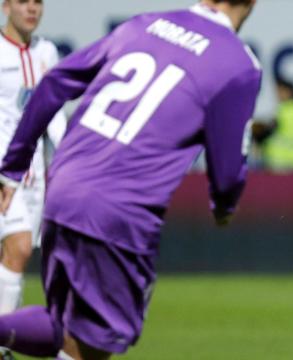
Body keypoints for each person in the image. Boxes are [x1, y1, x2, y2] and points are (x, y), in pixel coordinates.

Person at [0, 0, 261, 358]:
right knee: (94, 344)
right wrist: (224, 206)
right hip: (119, 210)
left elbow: (54, 83)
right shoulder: (238, 64)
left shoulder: (146, 24)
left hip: (64, 189)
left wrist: (13, 165)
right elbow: (228, 171)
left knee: (68, 330)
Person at [0, 0, 66, 316]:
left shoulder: (47, 52)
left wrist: (67, 154)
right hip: (3, 176)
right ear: (5, 7)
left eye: (38, 2)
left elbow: (52, 112)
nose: (32, 9)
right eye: (23, 1)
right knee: (20, 246)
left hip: (34, 176)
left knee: (15, 257)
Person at [255, 77, 293, 173]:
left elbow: (269, 131)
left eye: (280, 91)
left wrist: (257, 138)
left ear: (288, 92)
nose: (277, 95)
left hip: (279, 162)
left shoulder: (283, 111)